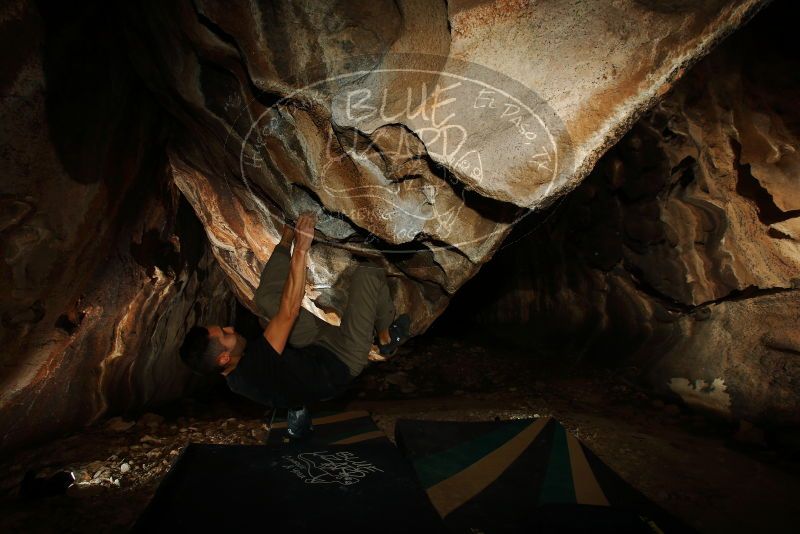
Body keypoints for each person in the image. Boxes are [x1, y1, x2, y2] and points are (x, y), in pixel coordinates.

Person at [179, 211, 409, 437]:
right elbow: (289, 311)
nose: (231, 329)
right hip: (342, 359)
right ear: (224, 358)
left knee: (266, 300)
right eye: (225, 334)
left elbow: (279, 386)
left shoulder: (234, 379)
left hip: (310, 351)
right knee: (368, 273)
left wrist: (286, 239)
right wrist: (300, 246)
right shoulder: (255, 369)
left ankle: (284, 239)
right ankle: (386, 335)